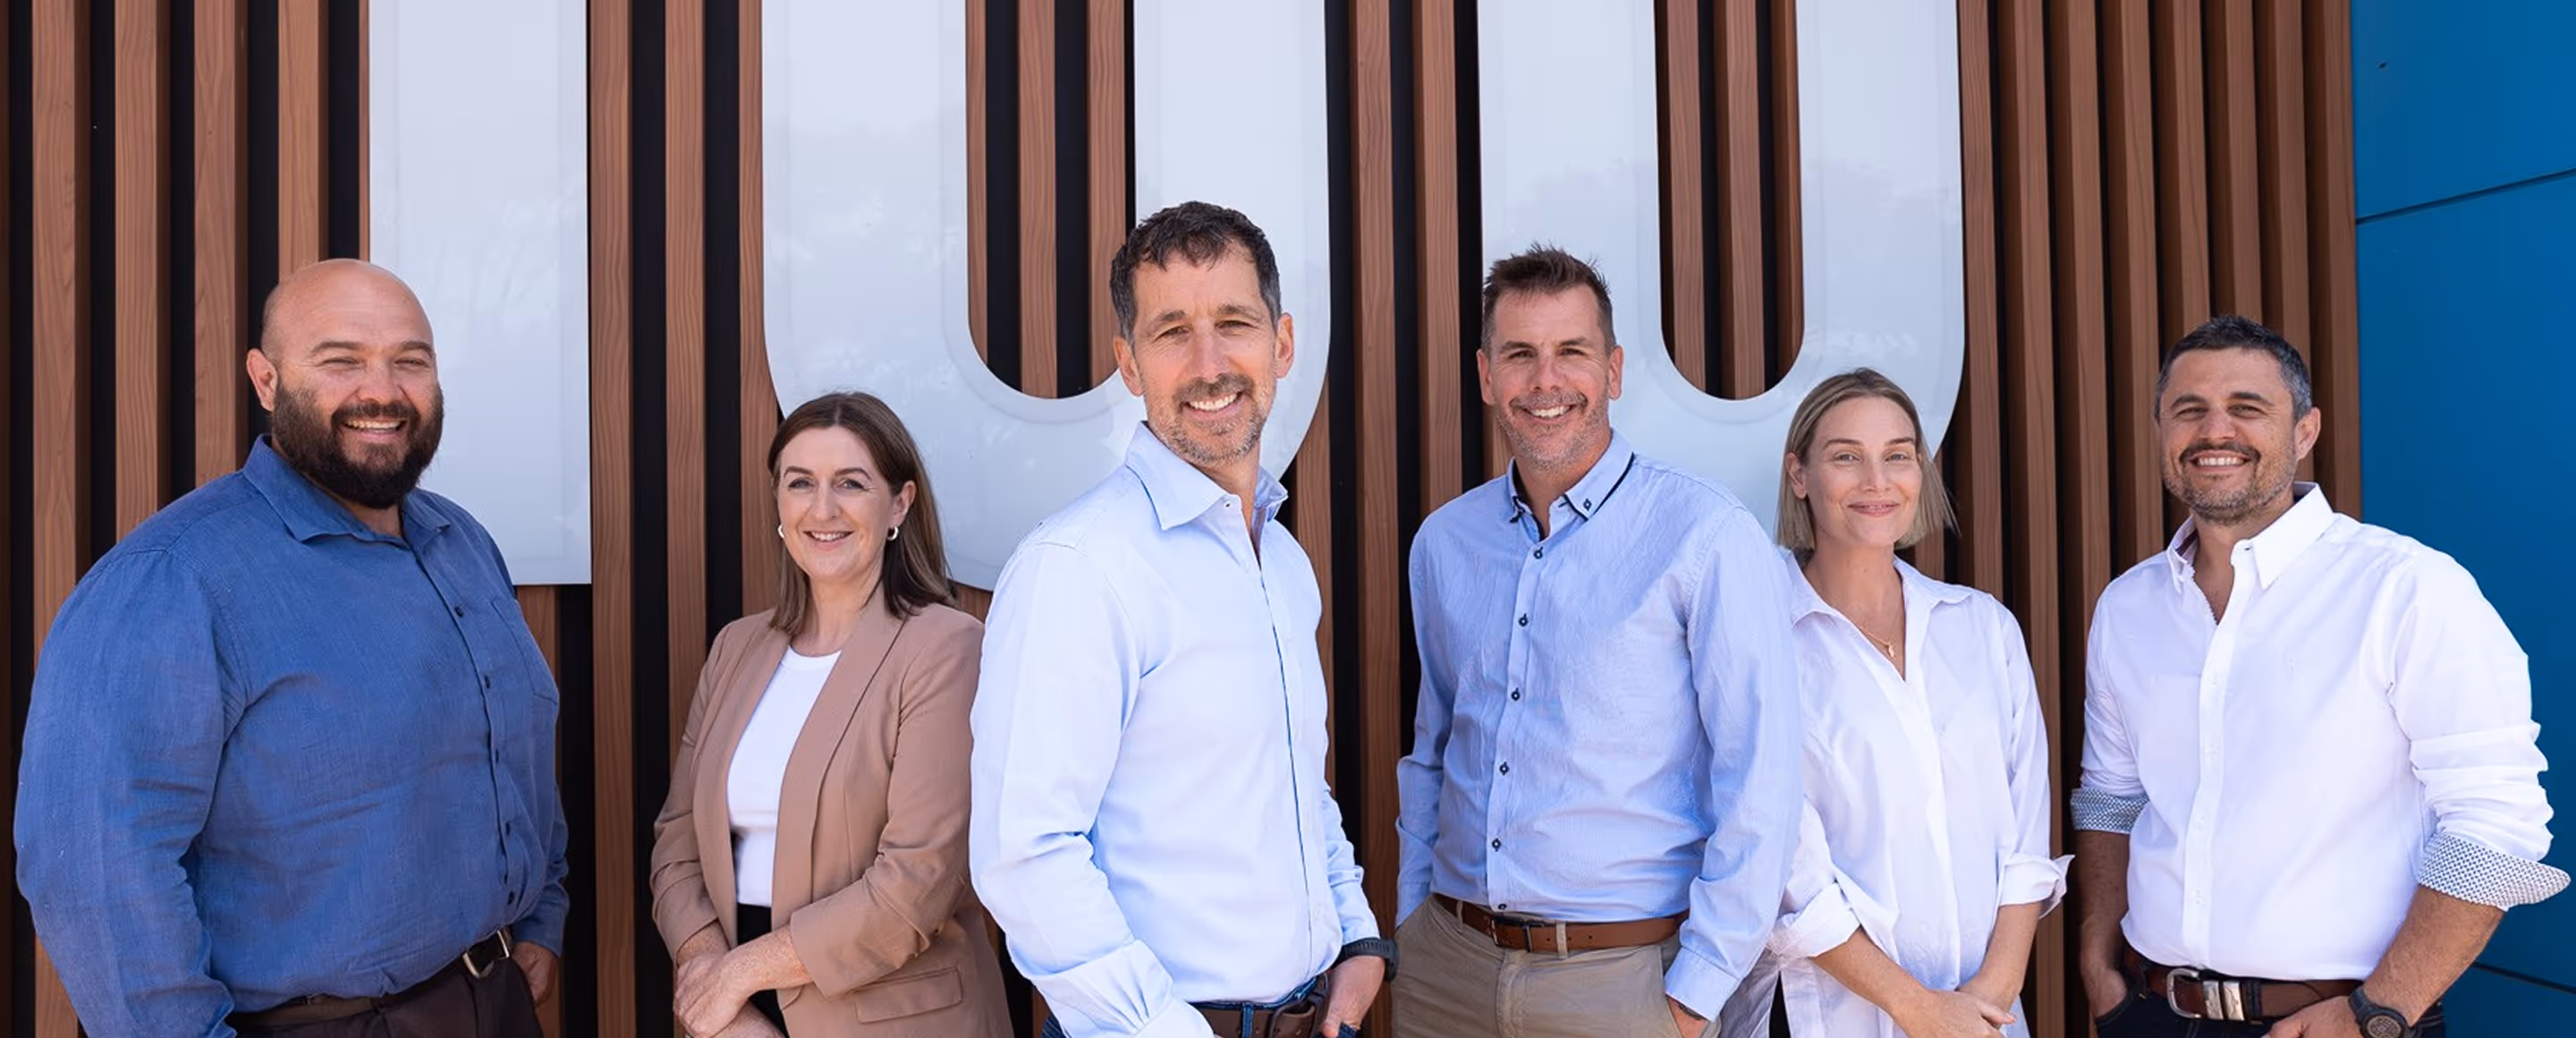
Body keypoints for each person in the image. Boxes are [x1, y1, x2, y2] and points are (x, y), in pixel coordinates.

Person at [14, 259, 567, 1037]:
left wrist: (537, 918)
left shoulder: (461, 542)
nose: (382, 390)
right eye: (340, 360)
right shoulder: (170, 581)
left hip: (498, 1000)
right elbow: (93, 871)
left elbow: (509, 748)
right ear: (266, 381)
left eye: (410, 360)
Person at [2072, 315, 2565, 1038]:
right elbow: (2113, 798)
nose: (2216, 432)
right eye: (2189, 410)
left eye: (2247, 408)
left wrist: (2383, 1010)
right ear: (2160, 432)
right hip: (2152, 1014)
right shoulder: (2128, 606)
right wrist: (2095, 950)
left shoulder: (2408, 589)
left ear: (2305, 431)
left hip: (2342, 1021)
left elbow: (2499, 825)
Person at [970, 200, 1389, 1038]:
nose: (1209, 363)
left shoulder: (1283, 562)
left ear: (1284, 343)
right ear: (1128, 364)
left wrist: (1358, 936)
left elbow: (1295, 783)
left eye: (1234, 322)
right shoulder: (1080, 568)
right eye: (1171, 332)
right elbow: (1024, 856)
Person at [1393, 245, 1801, 1038]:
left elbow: (1761, 775)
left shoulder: (1706, 537)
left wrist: (1694, 995)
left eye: (1571, 353)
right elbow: (1434, 752)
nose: (1546, 381)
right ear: (1486, 377)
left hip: (1623, 986)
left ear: (1612, 371)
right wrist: (1414, 927)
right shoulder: (1444, 544)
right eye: (1520, 355)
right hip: (1448, 974)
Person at [1713, 370, 2065, 1038]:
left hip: (1985, 1019)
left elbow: (2024, 846)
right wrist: (1921, 1011)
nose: (1878, 480)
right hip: (1824, 1018)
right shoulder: (1755, 641)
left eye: (1898, 455)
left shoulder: (1983, 628)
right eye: (1847, 456)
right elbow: (1791, 879)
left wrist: (1989, 997)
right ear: (1799, 475)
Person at [650, 391, 1012, 1038]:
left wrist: (741, 973)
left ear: (899, 503)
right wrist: (710, 980)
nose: (823, 509)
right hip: (732, 1018)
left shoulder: (946, 648)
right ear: (779, 506)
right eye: (800, 484)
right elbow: (677, 843)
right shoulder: (737, 648)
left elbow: (915, 885)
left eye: (851, 483)